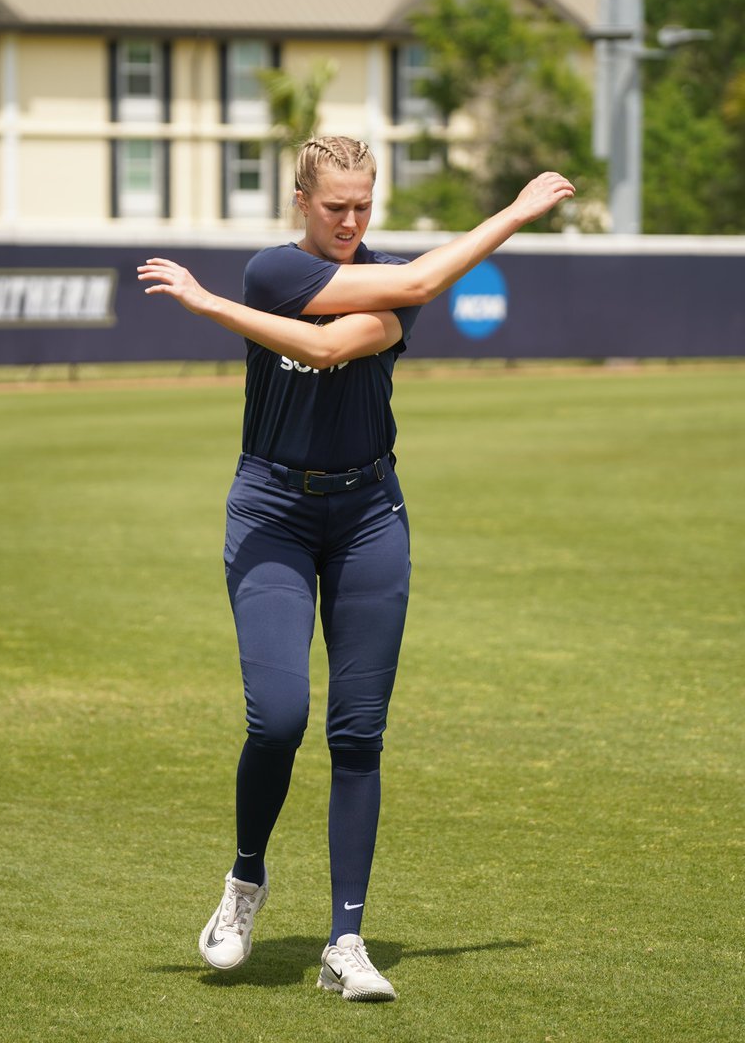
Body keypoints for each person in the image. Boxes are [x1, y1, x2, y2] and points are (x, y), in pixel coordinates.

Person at [137, 136, 574, 1002]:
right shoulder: (272, 270)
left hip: (371, 513)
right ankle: (245, 883)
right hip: (273, 511)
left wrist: (519, 215)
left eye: (363, 205)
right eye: (334, 205)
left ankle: (346, 939)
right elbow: (320, 325)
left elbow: (345, 340)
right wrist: (229, 301)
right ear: (302, 200)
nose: (350, 220)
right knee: (278, 718)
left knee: (358, 732)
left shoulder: (392, 282)